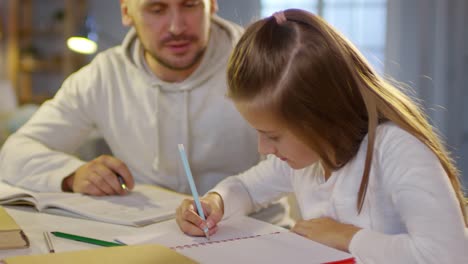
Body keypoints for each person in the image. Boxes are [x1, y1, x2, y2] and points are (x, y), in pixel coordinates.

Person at [176, 9, 468, 263]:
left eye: (273, 136)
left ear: (320, 116)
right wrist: (215, 202)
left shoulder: (396, 150)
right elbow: (247, 188)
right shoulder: (310, 157)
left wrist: (345, 236)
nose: (264, 148)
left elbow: (447, 255)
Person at [0, 0, 290, 225]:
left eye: (189, 4)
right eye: (156, 8)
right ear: (127, 11)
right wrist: (72, 175)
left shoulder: (260, 60)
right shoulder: (103, 76)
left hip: (257, 231)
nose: (176, 27)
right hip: (153, 234)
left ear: (212, 4)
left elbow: (299, 161)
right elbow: (14, 152)